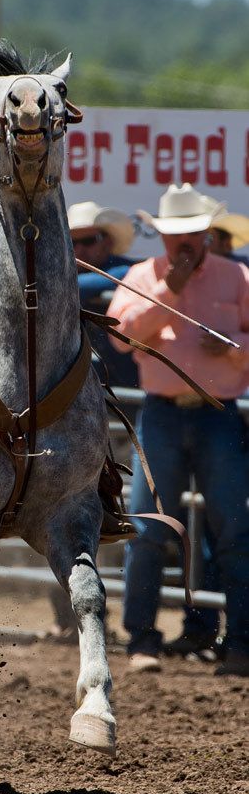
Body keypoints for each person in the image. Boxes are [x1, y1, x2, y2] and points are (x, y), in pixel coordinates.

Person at [108, 182, 249, 677]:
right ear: (164, 237)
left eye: (191, 233)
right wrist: (171, 288)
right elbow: (121, 337)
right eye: (175, 235)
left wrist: (234, 348)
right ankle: (142, 639)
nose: (184, 242)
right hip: (165, 414)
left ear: (206, 232)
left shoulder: (237, 277)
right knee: (148, 529)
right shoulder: (144, 277)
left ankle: (241, 644)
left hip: (216, 411)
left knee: (233, 530)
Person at [67, 201, 139, 388]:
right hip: (93, 386)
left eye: (89, 241)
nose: (79, 250)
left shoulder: (127, 270)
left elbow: (123, 273)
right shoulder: (65, 273)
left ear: (108, 241)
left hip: (126, 383)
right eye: (72, 242)